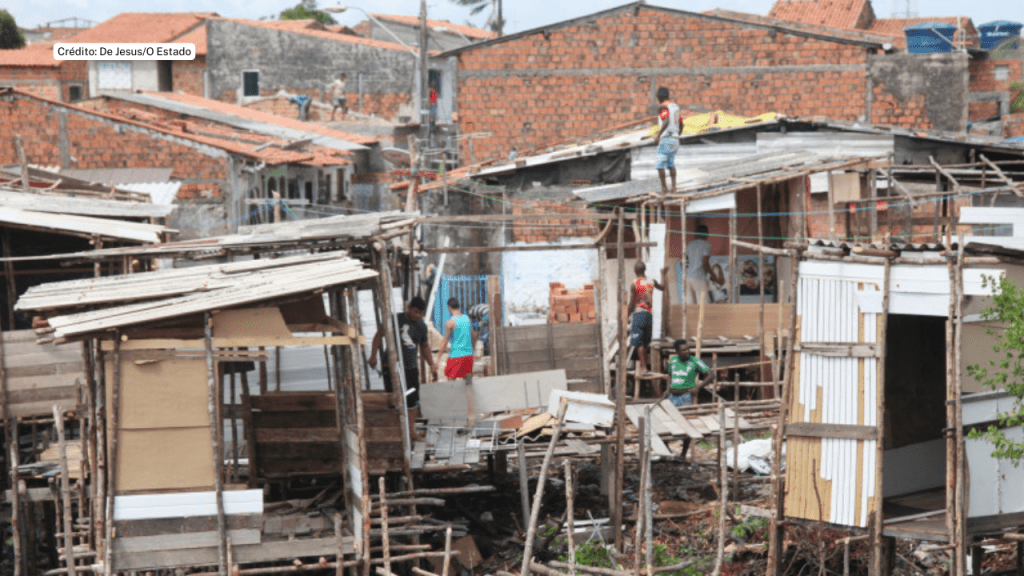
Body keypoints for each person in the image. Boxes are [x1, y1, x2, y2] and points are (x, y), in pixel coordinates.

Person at [369, 297, 435, 416]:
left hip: (410, 367)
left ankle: (411, 431)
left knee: (412, 397)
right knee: (392, 397)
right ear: (408, 307)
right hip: (390, 365)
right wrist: (373, 355)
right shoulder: (394, 319)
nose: (417, 315)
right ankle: (395, 427)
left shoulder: (421, 326)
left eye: (420, 313)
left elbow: (425, 347)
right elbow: (378, 336)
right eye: (415, 312)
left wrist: (432, 364)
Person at [665, 339, 712, 461]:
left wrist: (698, 387)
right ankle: (666, 450)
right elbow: (669, 375)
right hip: (672, 397)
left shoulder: (695, 361)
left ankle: (683, 454)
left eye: (688, 349)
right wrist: (667, 389)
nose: (687, 351)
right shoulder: (673, 360)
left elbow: (711, 374)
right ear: (677, 352)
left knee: (686, 425)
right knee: (666, 422)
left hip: (685, 397)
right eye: (683, 350)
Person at [627, 261, 668, 373]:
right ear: (644, 270)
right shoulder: (651, 281)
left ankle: (644, 367)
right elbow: (663, 287)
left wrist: (626, 315)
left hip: (639, 313)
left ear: (636, 271)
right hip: (649, 315)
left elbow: (631, 303)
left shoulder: (634, 283)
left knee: (639, 342)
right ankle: (644, 367)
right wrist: (663, 274)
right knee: (645, 341)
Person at [436, 297, 477, 380]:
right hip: (468, 356)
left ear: (449, 307)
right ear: (458, 306)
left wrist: (438, 358)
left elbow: (444, 342)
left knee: (451, 383)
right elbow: (475, 335)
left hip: (456, 356)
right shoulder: (467, 319)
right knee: (468, 383)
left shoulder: (450, 322)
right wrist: (473, 349)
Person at [654, 86, 682, 194]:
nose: (657, 100)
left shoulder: (663, 107)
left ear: (661, 97)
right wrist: (676, 134)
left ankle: (664, 189)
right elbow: (681, 124)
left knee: (660, 164)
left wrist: (658, 136)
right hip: (675, 139)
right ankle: (674, 188)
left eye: (658, 97)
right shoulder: (675, 107)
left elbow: (665, 121)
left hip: (666, 139)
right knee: (670, 164)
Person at [685, 224, 712, 304]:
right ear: (706, 234)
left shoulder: (690, 244)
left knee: (690, 304)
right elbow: (705, 263)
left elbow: (686, 259)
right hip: (699, 277)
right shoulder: (706, 245)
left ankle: (691, 317)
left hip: (688, 277)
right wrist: (713, 275)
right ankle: (703, 317)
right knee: (703, 304)